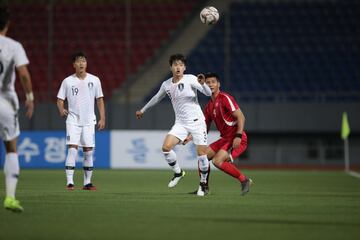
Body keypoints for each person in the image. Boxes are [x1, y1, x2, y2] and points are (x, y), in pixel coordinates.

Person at [136, 53, 212, 196]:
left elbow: (208, 94)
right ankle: (178, 173)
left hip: (197, 123)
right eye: (175, 65)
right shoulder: (166, 84)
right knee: (166, 147)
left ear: (185, 67)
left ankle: (203, 184)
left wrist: (203, 84)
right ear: (171, 67)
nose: (178, 67)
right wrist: (143, 110)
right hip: (181, 124)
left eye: (181, 65)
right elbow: (156, 98)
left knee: (202, 155)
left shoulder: (191, 78)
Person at [184, 72, 252, 196]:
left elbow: (241, 117)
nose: (210, 85)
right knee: (202, 157)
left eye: (213, 82)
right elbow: (204, 127)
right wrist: (191, 135)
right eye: (207, 83)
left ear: (218, 84)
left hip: (235, 137)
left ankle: (244, 180)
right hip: (225, 138)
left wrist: (238, 135)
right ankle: (204, 188)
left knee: (217, 161)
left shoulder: (225, 98)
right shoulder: (209, 106)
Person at [0, 6, 34, 212]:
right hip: (5, 102)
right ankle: (10, 197)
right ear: (8, 24)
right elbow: (23, 73)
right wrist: (30, 96)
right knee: (11, 148)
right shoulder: (13, 46)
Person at [57, 51, 105, 191]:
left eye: (83, 61)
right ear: (74, 65)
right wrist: (61, 109)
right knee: (72, 149)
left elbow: (100, 99)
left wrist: (103, 117)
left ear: (86, 63)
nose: (81, 63)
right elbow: (60, 99)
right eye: (78, 61)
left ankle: (87, 183)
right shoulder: (67, 81)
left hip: (89, 120)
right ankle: (70, 182)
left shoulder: (95, 80)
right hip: (73, 119)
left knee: (88, 151)